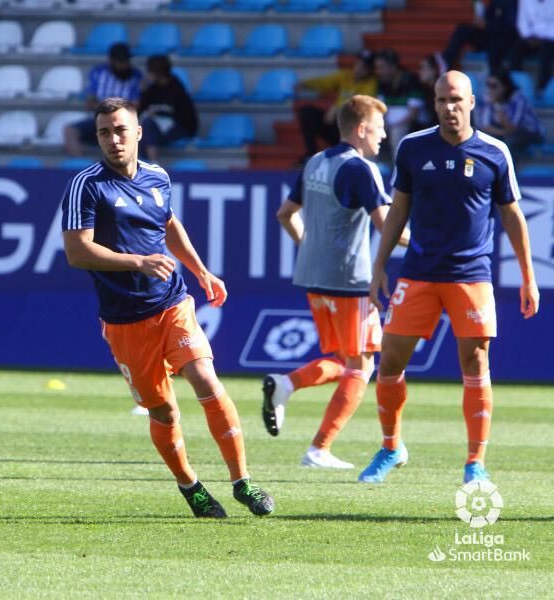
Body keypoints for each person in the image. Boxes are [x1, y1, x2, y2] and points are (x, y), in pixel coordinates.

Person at [61, 97, 274, 519]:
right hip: (124, 319)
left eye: (121, 130)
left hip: (172, 302)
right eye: (104, 132)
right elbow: (77, 251)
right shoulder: (87, 185)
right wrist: (138, 262)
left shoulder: (158, 177)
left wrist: (201, 271)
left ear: (138, 132)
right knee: (163, 410)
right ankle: (190, 486)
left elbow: (169, 224)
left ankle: (242, 482)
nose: (113, 139)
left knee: (206, 380)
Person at [359, 71, 540, 485]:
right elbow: (397, 212)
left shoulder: (496, 152)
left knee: (475, 364)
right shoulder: (412, 148)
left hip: (471, 276)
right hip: (420, 272)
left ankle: (475, 463)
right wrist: (378, 268)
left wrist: (528, 277)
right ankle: (391, 447)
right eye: (441, 100)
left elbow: (512, 215)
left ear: (472, 102)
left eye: (456, 100)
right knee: (389, 362)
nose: (448, 108)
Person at [266, 95, 409, 469]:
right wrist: (436, 238)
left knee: (344, 360)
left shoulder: (314, 161)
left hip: (313, 277)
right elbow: (386, 226)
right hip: (349, 279)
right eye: (378, 130)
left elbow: (285, 214)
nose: (382, 139)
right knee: (361, 367)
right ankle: (319, 448)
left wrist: (308, 245)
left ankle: (287, 384)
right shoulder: (361, 169)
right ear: (361, 129)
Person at [295, 48, 377, 162]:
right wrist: (305, 84)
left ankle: (345, 154)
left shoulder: (371, 83)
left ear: (370, 70)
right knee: (307, 112)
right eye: (358, 64)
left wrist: (337, 108)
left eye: (364, 67)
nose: (359, 68)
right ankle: (311, 154)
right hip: (334, 124)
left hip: (350, 128)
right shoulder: (346, 76)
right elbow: (324, 82)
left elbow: (362, 102)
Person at [63, 42, 143, 157]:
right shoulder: (99, 72)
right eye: (121, 62)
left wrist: (105, 106)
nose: (124, 65)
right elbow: (89, 103)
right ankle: (80, 165)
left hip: (122, 123)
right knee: (70, 131)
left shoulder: (136, 76)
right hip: (100, 120)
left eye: (126, 61)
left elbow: (135, 107)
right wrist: (114, 108)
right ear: (112, 61)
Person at [136, 54, 197, 163]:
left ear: (159, 72)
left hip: (179, 128)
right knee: (140, 129)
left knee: (148, 125)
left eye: (150, 71)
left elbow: (184, 116)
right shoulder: (152, 89)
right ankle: (142, 165)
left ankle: (154, 164)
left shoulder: (176, 88)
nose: (148, 75)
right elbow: (141, 111)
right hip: (156, 129)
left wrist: (158, 116)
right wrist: (143, 93)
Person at [475, 69, 545, 163]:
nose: (490, 89)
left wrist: (496, 105)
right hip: (506, 132)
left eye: (494, 86)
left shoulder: (518, 99)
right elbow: (484, 127)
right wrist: (502, 132)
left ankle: (509, 173)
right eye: (488, 85)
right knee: (482, 139)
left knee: (509, 142)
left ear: (504, 86)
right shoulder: (488, 99)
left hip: (531, 133)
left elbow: (513, 127)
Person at [374, 48, 424, 160]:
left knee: (397, 132)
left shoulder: (411, 80)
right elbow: (380, 109)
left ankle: (400, 171)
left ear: (393, 67)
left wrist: (393, 125)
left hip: (410, 124)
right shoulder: (382, 82)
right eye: (377, 68)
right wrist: (381, 124)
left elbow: (413, 114)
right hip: (388, 124)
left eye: (381, 67)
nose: (378, 71)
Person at [441, 0, 518, 72]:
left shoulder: (513, 2)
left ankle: (495, 74)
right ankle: (445, 62)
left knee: (499, 42)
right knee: (462, 30)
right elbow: (489, 17)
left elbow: (510, 27)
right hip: (488, 36)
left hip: (502, 40)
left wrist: (487, 24)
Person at [513, 0, 554, 92]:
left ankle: (542, 87)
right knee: (516, 48)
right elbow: (522, 21)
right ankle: (516, 83)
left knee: (546, 50)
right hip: (533, 36)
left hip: (550, 37)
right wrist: (528, 36)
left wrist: (544, 37)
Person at [413, 53, 446, 131]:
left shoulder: (442, 94)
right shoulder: (425, 91)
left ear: (434, 70)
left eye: (423, 68)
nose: (420, 72)